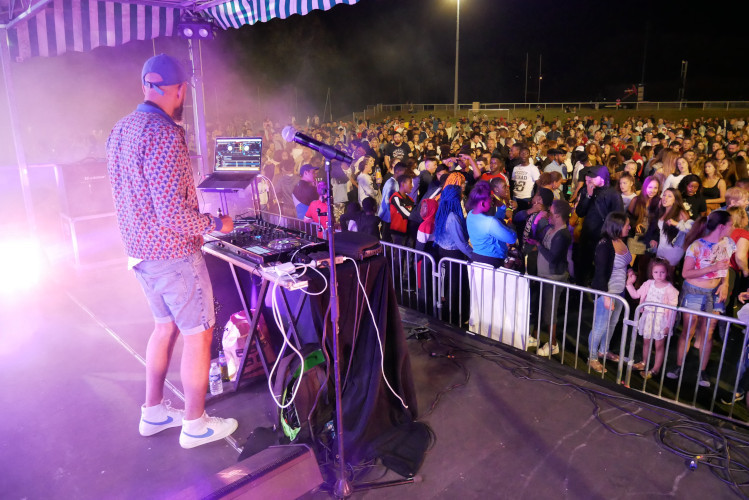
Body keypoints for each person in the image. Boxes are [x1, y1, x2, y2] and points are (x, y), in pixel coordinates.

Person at [106, 53, 237, 449]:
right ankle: (195, 424)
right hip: (174, 256)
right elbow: (171, 212)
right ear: (178, 89)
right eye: (184, 91)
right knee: (199, 334)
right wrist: (216, 225)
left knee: (165, 327)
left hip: (141, 254)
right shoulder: (164, 132)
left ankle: (154, 412)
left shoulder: (121, 128)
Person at [667, 210, 735, 388]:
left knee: (709, 331)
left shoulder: (728, 243)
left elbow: (725, 267)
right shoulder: (696, 246)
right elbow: (685, 273)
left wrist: (725, 283)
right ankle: (679, 366)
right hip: (694, 291)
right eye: (731, 225)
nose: (733, 228)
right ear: (721, 226)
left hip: (715, 293)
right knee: (688, 330)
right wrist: (711, 267)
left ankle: (702, 371)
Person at [588, 212, 632, 374]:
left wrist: (630, 274)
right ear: (617, 226)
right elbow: (599, 274)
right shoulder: (604, 245)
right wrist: (605, 296)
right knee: (600, 326)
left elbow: (624, 264)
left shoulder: (621, 240)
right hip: (606, 292)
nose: (629, 227)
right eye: (627, 225)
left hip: (620, 291)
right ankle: (592, 357)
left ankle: (603, 351)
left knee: (612, 324)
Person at [528, 200, 572, 357]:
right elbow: (537, 237)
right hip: (544, 276)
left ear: (559, 216)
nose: (549, 215)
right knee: (540, 306)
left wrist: (539, 246)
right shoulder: (551, 228)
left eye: (551, 213)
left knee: (550, 311)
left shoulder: (563, 235)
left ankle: (553, 344)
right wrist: (537, 221)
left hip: (554, 278)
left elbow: (553, 258)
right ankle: (534, 336)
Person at [626, 258, 679, 379]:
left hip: (661, 320)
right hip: (648, 317)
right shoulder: (648, 284)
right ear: (651, 272)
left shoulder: (670, 289)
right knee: (646, 342)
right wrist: (629, 284)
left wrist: (668, 326)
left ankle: (655, 369)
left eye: (662, 272)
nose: (659, 275)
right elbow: (635, 294)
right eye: (656, 272)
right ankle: (644, 362)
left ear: (667, 272)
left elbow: (673, 310)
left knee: (659, 345)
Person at [466, 181, 518, 267]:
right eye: (490, 198)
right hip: (491, 262)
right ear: (482, 203)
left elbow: (498, 220)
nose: (492, 201)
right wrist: (509, 228)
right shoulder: (490, 222)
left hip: (476, 257)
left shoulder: (471, 214)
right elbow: (511, 239)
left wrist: (502, 206)